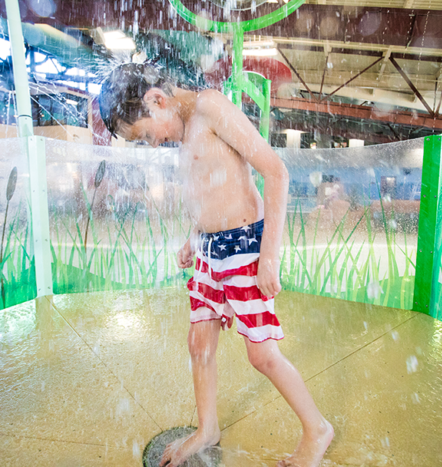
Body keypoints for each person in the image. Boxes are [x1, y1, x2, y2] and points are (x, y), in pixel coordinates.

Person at [99, 63, 333, 467]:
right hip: (208, 251)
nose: (153, 144)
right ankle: (207, 429)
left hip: (244, 247)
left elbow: (276, 173)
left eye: (146, 135)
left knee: (262, 355)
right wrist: (193, 238)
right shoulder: (183, 132)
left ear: (157, 100)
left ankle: (317, 429)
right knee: (200, 343)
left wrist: (268, 256)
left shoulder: (210, 107)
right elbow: (206, 189)